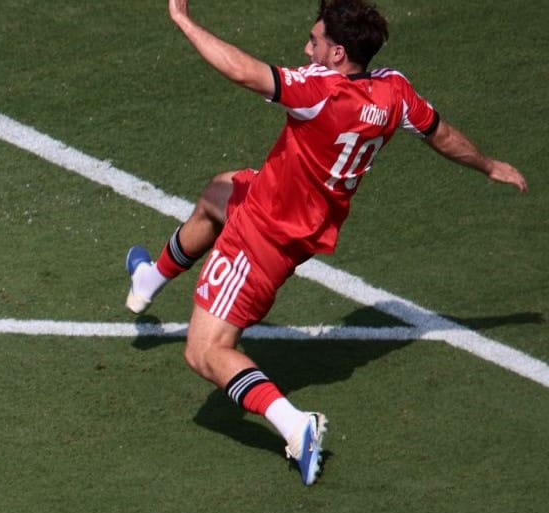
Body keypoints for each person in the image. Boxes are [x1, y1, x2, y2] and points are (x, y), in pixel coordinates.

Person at [125, 0, 528, 486]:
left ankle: (296, 427)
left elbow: (244, 72)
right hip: (299, 218)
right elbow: (439, 133)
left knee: (205, 351)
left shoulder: (321, 91)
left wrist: (185, 23)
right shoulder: (393, 91)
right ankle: (150, 278)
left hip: (261, 237)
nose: (305, 47)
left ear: (338, 53)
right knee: (219, 191)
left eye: (314, 41)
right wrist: (487, 165)